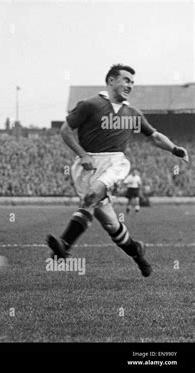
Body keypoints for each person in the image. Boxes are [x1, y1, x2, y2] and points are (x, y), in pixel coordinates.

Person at [46, 64, 189, 277]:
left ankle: (64, 244)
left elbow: (155, 136)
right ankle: (137, 251)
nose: (130, 85)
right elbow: (66, 130)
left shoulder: (132, 113)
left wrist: (175, 149)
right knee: (112, 225)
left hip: (115, 163)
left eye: (132, 82)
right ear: (111, 81)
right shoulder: (90, 105)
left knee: (91, 196)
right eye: (126, 80)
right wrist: (83, 154)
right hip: (87, 165)